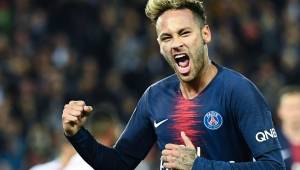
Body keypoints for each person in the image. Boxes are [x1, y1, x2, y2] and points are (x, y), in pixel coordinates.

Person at [62, 0, 285, 169]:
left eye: (184, 33)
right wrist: (77, 135)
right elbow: (119, 164)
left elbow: (274, 166)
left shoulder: (238, 91)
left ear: (205, 34)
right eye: (167, 37)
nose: (176, 44)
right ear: (159, 45)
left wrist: (199, 166)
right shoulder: (155, 97)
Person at [276, 86, 300, 170]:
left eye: (298, 107)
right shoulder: (270, 143)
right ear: (280, 111)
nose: (295, 113)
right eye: (290, 108)